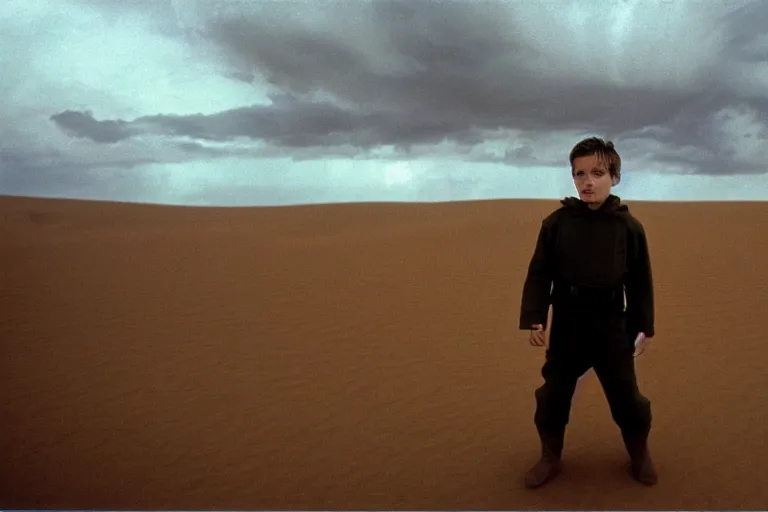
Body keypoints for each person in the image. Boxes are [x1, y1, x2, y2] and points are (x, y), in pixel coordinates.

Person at [519, 137, 657, 489]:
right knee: (552, 395)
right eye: (579, 174)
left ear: (615, 177)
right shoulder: (556, 223)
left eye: (597, 173)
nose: (587, 182)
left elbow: (640, 282)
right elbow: (539, 273)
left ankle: (639, 453)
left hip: (611, 323)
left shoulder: (628, 228)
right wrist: (536, 317)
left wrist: (642, 328)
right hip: (568, 322)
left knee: (628, 397)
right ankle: (550, 456)